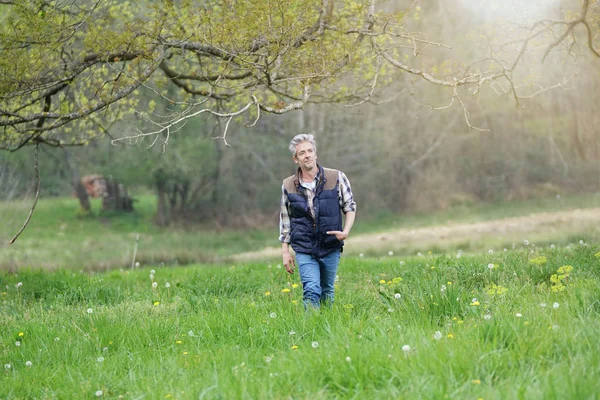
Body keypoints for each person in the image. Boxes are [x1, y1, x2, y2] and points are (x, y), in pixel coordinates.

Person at [279, 133, 356, 308]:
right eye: (302, 153)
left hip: (330, 244)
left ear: (315, 154)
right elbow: (285, 219)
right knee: (312, 289)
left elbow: (349, 206)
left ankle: (325, 330)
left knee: (327, 290)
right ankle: (310, 330)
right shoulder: (288, 185)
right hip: (304, 246)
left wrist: (345, 232)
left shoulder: (336, 177)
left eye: (310, 151)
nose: (307, 155)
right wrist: (285, 251)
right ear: (295, 159)